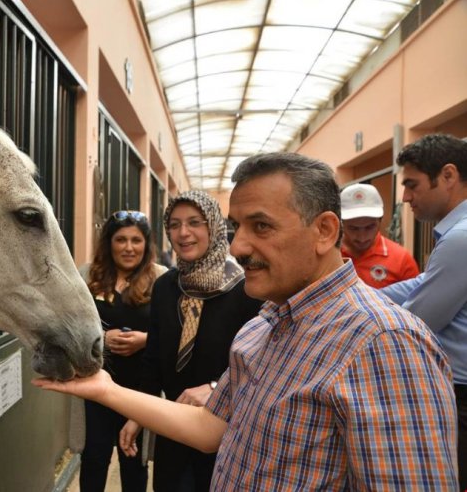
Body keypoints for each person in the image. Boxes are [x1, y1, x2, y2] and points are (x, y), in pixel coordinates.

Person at [35, 152, 458, 490]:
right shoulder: (265, 326)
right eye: (237, 227)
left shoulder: (386, 343)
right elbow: (208, 428)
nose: (237, 246)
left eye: (261, 226)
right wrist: (107, 391)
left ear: (326, 231)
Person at [122, 190, 262, 491]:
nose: (183, 233)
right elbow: (153, 359)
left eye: (194, 222)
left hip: (226, 430)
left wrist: (215, 388)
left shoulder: (245, 289)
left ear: (213, 226)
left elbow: (261, 364)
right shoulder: (166, 287)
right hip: (174, 427)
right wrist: (138, 415)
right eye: (174, 224)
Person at [380, 133, 467, 491]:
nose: (404, 198)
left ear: (447, 176)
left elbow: (417, 320)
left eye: (412, 185)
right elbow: (421, 285)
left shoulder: (461, 239)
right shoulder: (455, 236)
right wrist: (361, 295)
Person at [78, 210, 166, 492]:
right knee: (93, 459)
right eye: (121, 239)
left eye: (136, 240)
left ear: (146, 244)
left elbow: (172, 336)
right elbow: (72, 326)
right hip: (95, 388)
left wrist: (145, 339)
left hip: (139, 391)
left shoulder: (161, 279)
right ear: (109, 243)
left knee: (134, 461)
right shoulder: (86, 275)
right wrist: (102, 337)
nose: (129, 247)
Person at [340, 183, 419, 288]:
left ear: (380, 221)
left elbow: (415, 302)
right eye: (353, 228)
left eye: (369, 227)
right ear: (340, 223)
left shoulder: (402, 260)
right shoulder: (326, 255)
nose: (362, 237)